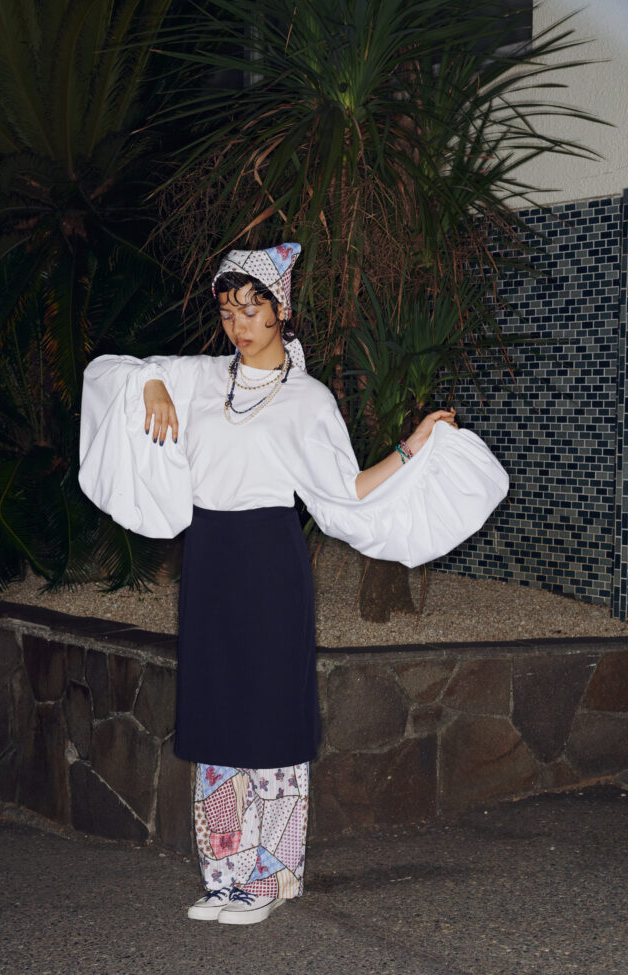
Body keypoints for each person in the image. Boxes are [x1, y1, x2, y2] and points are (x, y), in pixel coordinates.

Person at [78, 242, 509, 926]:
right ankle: (224, 874)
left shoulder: (308, 399)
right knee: (214, 711)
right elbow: (107, 371)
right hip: (210, 556)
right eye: (227, 312)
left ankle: (271, 877)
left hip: (270, 560)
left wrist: (413, 444)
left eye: (252, 311)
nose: (239, 325)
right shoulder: (200, 378)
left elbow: (346, 492)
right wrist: (149, 383)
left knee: (269, 712)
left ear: (281, 310)